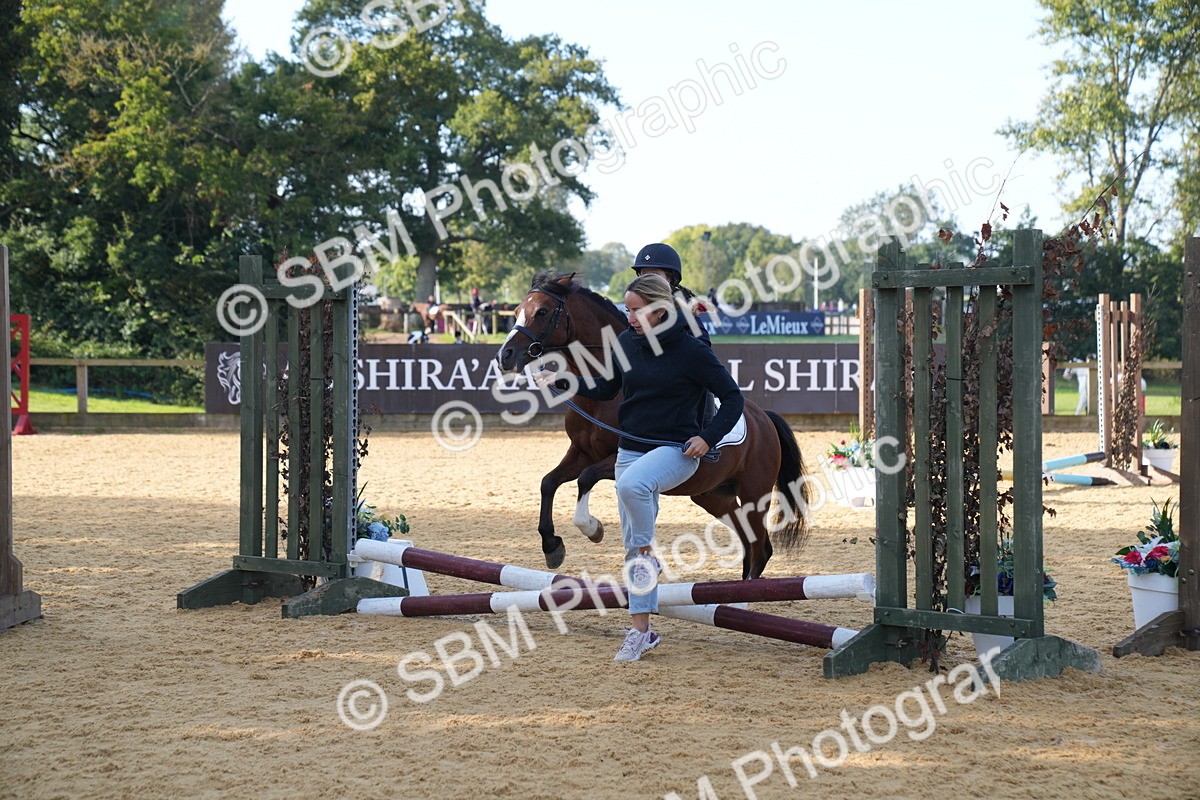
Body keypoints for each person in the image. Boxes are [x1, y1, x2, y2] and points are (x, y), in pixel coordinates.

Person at [533, 273, 744, 661]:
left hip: (676, 451)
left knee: (630, 489)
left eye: (635, 310)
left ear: (659, 310)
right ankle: (641, 631)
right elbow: (604, 388)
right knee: (632, 548)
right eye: (626, 310)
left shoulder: (691, 350)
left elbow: (733, 398)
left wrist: (708, 437)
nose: (628, 317)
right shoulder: (627, 343)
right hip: (631, 448)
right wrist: (560, 379)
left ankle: (650, 556)